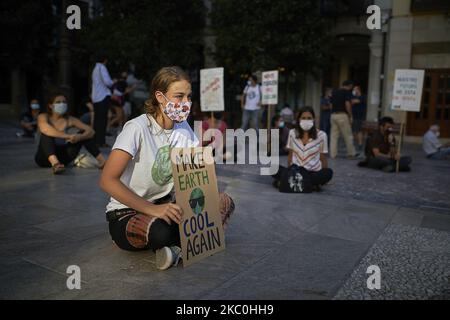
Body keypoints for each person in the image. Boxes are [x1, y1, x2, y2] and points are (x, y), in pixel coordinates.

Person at [99, 66, 235, 271]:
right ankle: (174, 243)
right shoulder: (137, 128)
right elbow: (107, 180)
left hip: (168, 205)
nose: (186, 103)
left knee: (224, 201)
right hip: (129, 211)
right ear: (160, 97)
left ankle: (174, 249)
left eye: (188, 97)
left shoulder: (184, 128)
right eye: (179, 96)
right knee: (159, 232)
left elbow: (196, 173)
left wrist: (206, 181)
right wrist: (152, 209)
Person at [34, 93, 106, 174]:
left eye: (64, 102)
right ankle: (55, 164)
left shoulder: (70, 119)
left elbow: (91, 131)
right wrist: (67, 136)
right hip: (44, 157)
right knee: (46, 134)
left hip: (63, 157)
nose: (62, 104)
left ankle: (103, 162)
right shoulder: (43, 116)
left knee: (84, 134)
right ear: (50, 105)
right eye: (58, 102)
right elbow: (45, 129)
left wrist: (79, 137)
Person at [272, 106, 333, 191]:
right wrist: (289, 173)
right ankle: (309, 185)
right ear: (299, 119)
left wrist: (324, 175)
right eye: (303, 118)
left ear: (313, 119)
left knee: (328, 173)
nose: (306, 120)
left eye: (309, 118)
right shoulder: (292, 133)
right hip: (296, 171)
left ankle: (289, 183)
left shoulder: (322, 135)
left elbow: (322, 158)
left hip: (312, 172)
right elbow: (290, 155)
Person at [92, 53, 116, 147]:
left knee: (97, 120)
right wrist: (113, 82)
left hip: (96, 97)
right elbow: (108, 82)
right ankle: (101, 142)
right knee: (102, 121)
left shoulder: (95, 68)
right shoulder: (102, 67)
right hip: (103, 96)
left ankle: (95, 140)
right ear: (105, 60)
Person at [330, 80, 358, 159]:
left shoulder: (334, 92)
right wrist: (350, 115)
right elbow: (347, 104)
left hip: (333, 115)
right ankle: (351, 153)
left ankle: (333, 154)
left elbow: (331, 104)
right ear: (349, 86)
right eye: (351, 87)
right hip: (342, 115)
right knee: (347, 135)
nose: (350, 89)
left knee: (334, 136)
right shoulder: (346, 92)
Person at [351, 85, 367, 152]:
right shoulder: (353, 97)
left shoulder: (363, 97)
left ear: (358, 90)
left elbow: (355, 101)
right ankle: (358, 143)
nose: (354, 91)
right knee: (354, 132)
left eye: (355, 89)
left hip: (360, 117)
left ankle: (360, 144)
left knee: (359, 131)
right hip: (354, 116)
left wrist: (352, 100)